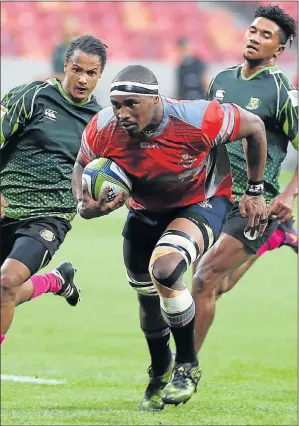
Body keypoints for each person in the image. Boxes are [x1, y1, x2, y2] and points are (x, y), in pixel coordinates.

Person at [72, 64, 270, 409]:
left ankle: (187, 365)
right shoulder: (104, 126)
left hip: (201, 202)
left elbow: (255, 126)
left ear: (154, 99)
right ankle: (160, 367)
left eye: (130, 104)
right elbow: (81, 164)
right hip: (144, 209)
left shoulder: (198, 118)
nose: (121, 113)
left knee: (165, 270)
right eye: (116, 104)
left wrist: (254, 189)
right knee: (146, 298)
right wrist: (83, 203)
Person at [191, 5, 298, 355]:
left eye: (266, 35)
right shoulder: (221, 80)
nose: (255, 38)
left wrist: (289, 194)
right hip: (215, 196)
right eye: (253, 30)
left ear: (279, 50)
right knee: (211, 285)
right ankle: (273, 238)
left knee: (204, 278)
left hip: (256, 202)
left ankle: (183, 368)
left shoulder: (283, 93)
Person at [0, 35, 107, 346]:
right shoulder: (32, 96)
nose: (83, 79)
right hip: (7, 205)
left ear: (100, 75)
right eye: (77, 69)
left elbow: (109, 177)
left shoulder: (101, 124)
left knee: (6, 282)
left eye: (92, 73)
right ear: (65, 67)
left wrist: (102, 203)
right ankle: (54, 281)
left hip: (48, 218)